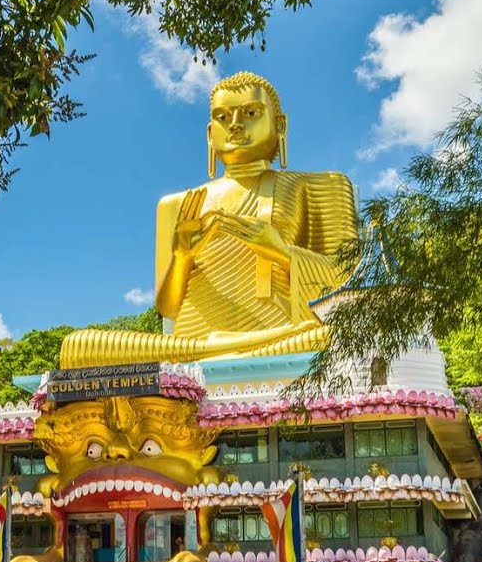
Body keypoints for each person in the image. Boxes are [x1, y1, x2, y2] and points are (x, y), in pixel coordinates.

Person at [59, 71, 356, 368]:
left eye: (251, 113)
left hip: (288, 338)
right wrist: (182, 257)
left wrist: (282, 253)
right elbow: (168, 307)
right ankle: (227, 351)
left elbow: (348, 286)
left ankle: (223, 353)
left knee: (339, 333)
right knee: (78, 347)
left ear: (280, 124)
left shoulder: (321, 186)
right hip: (193, 345)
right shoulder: (178, 205)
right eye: (223, 117)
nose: (236, 124)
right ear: (209, 133)